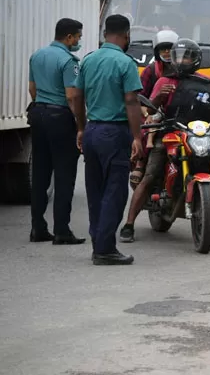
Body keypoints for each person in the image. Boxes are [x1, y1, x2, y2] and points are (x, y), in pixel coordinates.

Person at [118, 39, 210, 246]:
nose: (182, 60)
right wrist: (156, 101)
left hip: (199, 136)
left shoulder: (206, 83)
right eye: (179, 56)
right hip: (170, 134)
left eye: (187, 56)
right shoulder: (164, 81)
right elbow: (150, 110)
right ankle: (129, 225)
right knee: (150, 174)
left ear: (196, 59)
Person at [70, 15, 143, 265]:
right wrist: (137, 136)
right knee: (115, 191)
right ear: (126, 35)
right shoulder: (125, 63)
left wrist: (81, 128)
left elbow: (76, 98)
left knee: (95, 190)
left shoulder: (88, 60)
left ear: (104, 34)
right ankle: (105, 249)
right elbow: (132, 101)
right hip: (115, 133)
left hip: (92, 131)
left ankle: (98, 243)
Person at [27, 18, 86, 245]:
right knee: (64, 175)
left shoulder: (37, 55)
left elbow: (32, 89)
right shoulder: (68, 61)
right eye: (78, 37)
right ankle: (61, 230)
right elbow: (72, 96)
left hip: (39, 114)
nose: (79, 41)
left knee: (41, 174)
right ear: (69, 37)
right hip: (59, 117)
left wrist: (42, 105)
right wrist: (81, 125)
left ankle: (37, 228)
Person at [130, 30, 179, 188]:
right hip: (152, 112)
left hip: (179, 116)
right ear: (156, 52)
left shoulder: (184, 69)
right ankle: (141, 164)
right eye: (162, 49)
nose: (166, 52)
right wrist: (147, 113)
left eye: (169, 49)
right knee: (146, 128)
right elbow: (138, 99)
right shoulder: (151, 71)